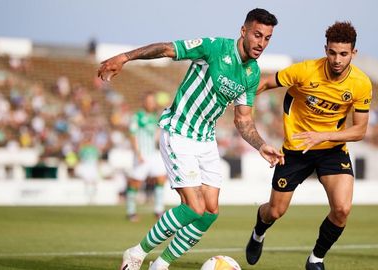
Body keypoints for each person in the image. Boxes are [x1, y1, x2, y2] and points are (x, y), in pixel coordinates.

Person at [97, 8, 283, 270]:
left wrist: (261, 145)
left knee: (209, 213)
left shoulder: (252, 73)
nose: (261, 43)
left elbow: (243, 120)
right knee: (194, 208)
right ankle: (136, 253)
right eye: (257, 35)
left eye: (267, 38)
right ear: (243, 31)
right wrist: (125, 57)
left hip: (206, 140)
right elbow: (165, 49)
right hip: (179, 132)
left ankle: (160, 264)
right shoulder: (213, 48)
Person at [245, 21, 372, 270]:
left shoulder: (361, 83)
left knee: (342, 209)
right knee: (275, 211)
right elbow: (266, 84)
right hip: (295, 151)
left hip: (332, 151)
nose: (337, 59)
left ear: (353, 54)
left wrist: (321, 135)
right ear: (326, 49)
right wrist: (239, 100)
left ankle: (316, 259)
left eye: (344, 54)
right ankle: (259, 232)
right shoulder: (305, 70)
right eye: (332, 52)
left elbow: (360, 131)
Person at [125, 92, 167, 222]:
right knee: (135, 182)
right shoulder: (137, 116)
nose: (151, 103)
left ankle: (158, 209)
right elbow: (132, 134)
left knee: (160, 178)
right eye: (148, 101)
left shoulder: (156, 116)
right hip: (142, 153)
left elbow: (156, 134)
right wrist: (137, 153)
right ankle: (130, 211)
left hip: (154, 154)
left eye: (152, 101)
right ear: (144, 102)